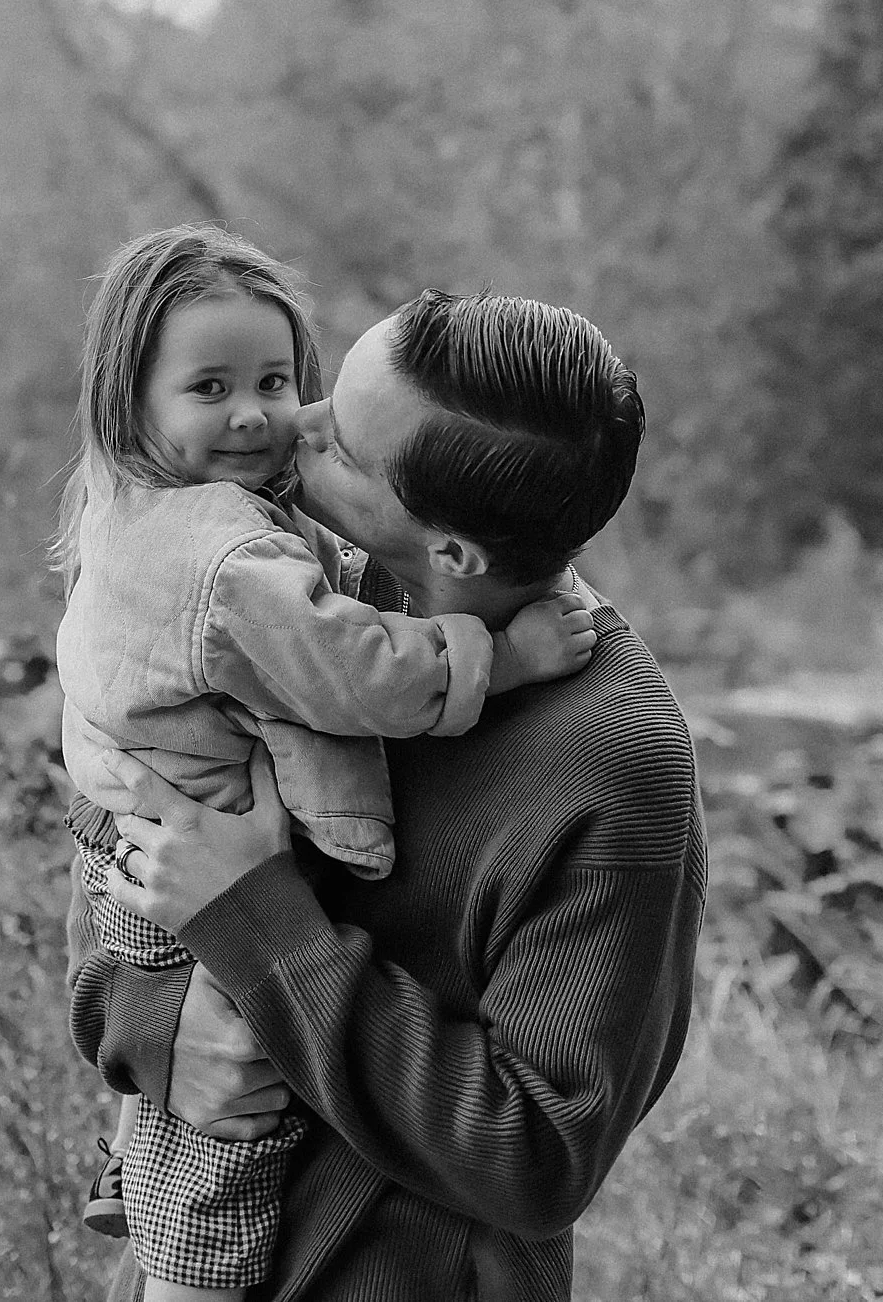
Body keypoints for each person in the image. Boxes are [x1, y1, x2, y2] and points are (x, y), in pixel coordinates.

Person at [69, 285, 706, 1302]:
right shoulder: (303, 603)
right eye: (323, 393)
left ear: (453, 551)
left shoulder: (613, 765)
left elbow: (540, 1158)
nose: (294, 423)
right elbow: (128, 850)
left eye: (341, 446)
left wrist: (263, 932)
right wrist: (158, 1031)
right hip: (187, 1253)